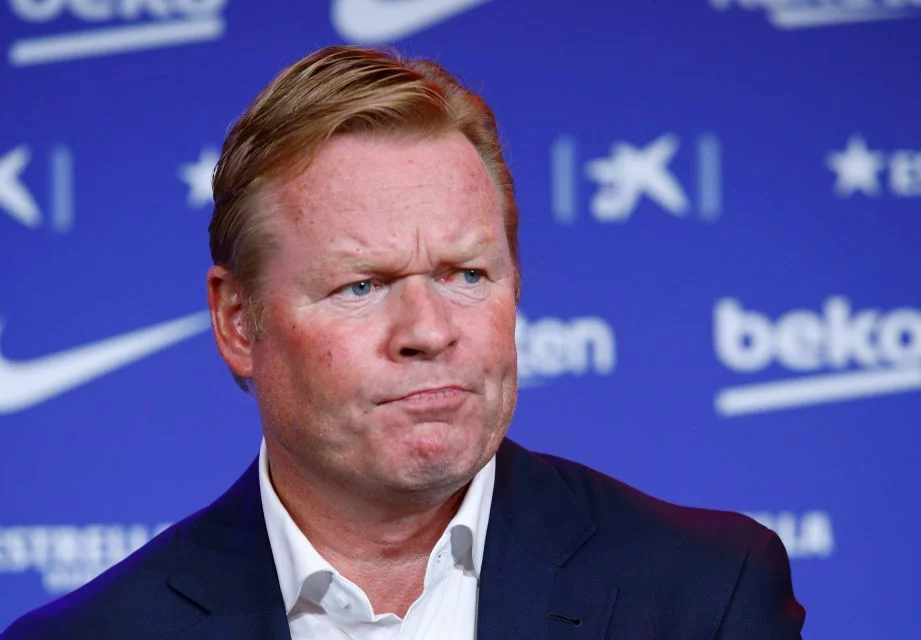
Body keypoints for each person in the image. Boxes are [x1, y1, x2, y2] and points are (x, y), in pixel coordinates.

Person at [3, 46, 805, 639]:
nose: (428, 330)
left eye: (466, 274)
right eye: (362, 285)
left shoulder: (705, 596)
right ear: (238, 321)